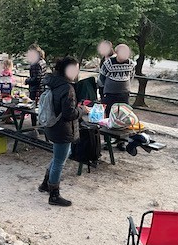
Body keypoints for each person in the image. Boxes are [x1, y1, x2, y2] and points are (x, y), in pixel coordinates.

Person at [40, 56, 89, 207]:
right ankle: (54, 195)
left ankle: (45, 184)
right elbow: (69, 114)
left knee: (60, 156)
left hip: (52, 125)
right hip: (62, 129)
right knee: (59, 161)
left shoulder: (53, 82)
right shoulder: (67, 88)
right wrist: (82, 110)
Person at [99, 43, 135, 116]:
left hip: (124, 94)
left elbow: (131, 76)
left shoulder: (131, 64)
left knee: (124, 114)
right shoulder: (108, 63)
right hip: (110, 94)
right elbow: (102, 77)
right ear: (117, 53)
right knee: (109, 113)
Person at [25, 44, 47, 126]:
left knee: (32, 108)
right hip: (42, 88)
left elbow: (36, 78)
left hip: (35, 89)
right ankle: (41, 124)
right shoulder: (42, 61)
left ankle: (34, 125)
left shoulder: (35, 63)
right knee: (41, 107)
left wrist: (27, 80)